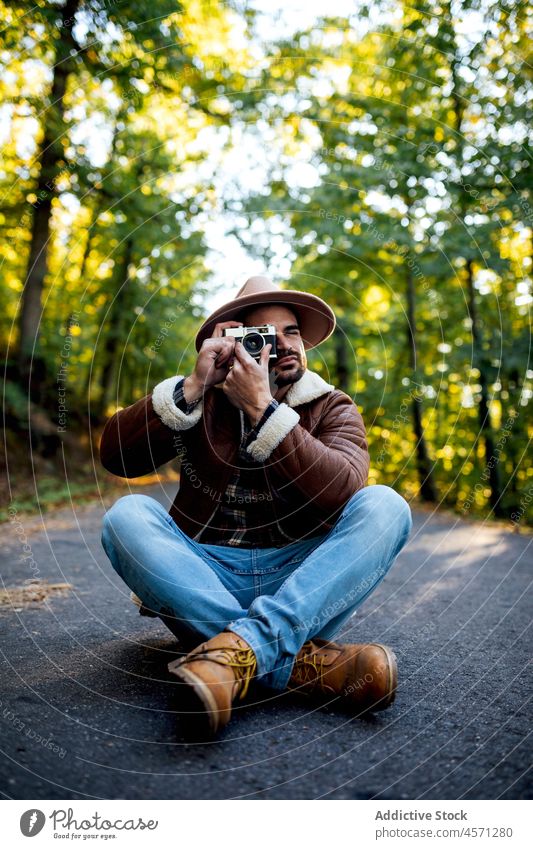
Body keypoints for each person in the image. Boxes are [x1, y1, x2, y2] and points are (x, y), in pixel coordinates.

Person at [100, 275, 412, 737]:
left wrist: (266, 412)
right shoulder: (202, 399)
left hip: (300, 577)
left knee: (387, 506)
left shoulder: (333, 408)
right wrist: (192, 384)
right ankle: (299, 663)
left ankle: (230, 654)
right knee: (125, 517)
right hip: (204, 578)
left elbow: (343, 490)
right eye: (262, 336)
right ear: (234, 345)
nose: (283, 345)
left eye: (291, 332)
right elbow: (118, 458)